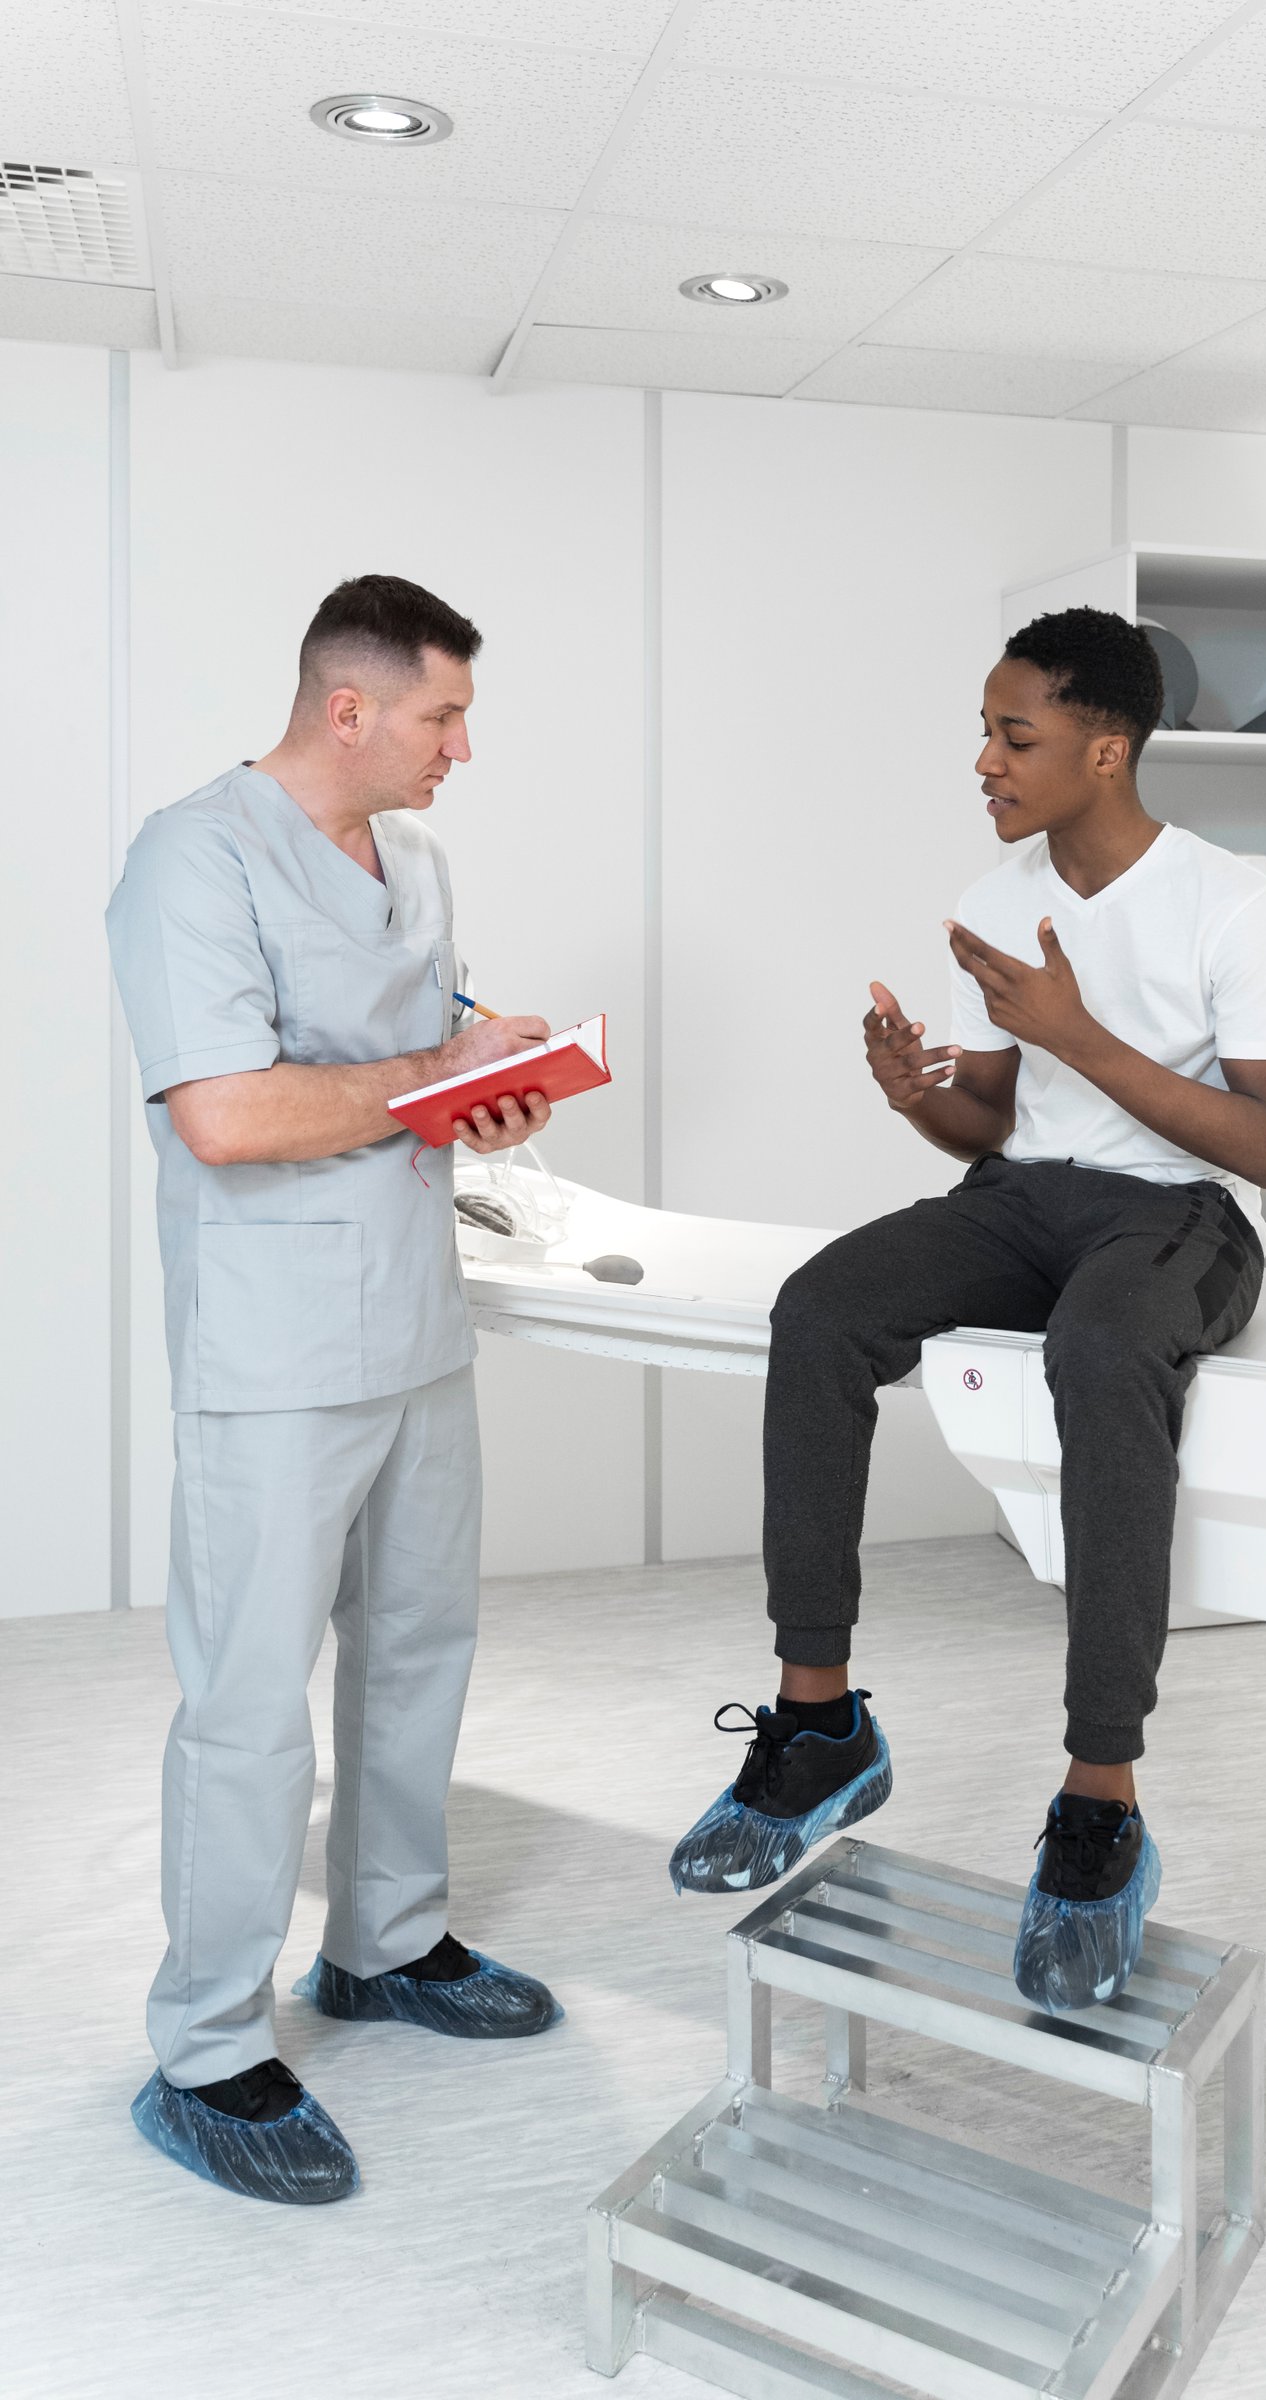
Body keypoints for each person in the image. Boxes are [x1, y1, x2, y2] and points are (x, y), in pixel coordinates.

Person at [669, 606, 1266, 2013]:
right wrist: (921, 1096)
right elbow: (999, 1125)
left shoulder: (1230, 899)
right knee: (821, 1309)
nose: (985, 760)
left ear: (1107, 747)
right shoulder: (1000, 890)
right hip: (1028, 1197)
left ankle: (1100, 1798)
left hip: (1184, 1212)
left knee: (1101, 1348)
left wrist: (1081, 1034)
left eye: (1014, 736)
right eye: (985, 732)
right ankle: (820, 1722)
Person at [106, 574, 562, 2206]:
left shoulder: (415, 860)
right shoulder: (193, 856)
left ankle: (386, 1942)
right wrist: (431, 1075)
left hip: (417, 1322)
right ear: (349, 708)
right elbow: (225, 1115)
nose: (461, 748)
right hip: (276, 1344)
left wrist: (497, 1073)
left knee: (420, 1644)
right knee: (248, 1701)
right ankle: (206, 2046)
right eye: (444, 715)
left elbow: (432, 1034)